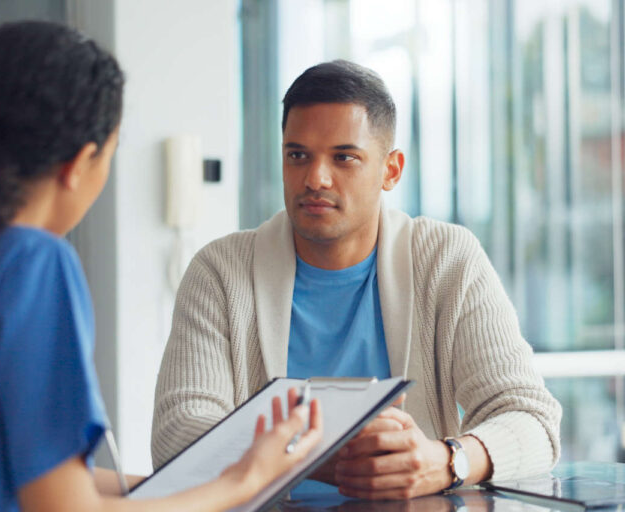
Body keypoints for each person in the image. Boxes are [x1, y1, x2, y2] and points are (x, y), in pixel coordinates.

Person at [0, 21, 322, 512]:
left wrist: (200, 483)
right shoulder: (33, 263)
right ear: (80, 162)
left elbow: (17, 472)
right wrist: (247, 481)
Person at [152, 60, 562, 500]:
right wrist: (320, 455)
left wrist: (445, 462)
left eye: (344, 157)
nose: (315, 178)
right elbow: (177, 434)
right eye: (298, 155)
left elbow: (531, 419)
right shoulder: (219, 271)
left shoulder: (447, 259)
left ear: (391, 170)